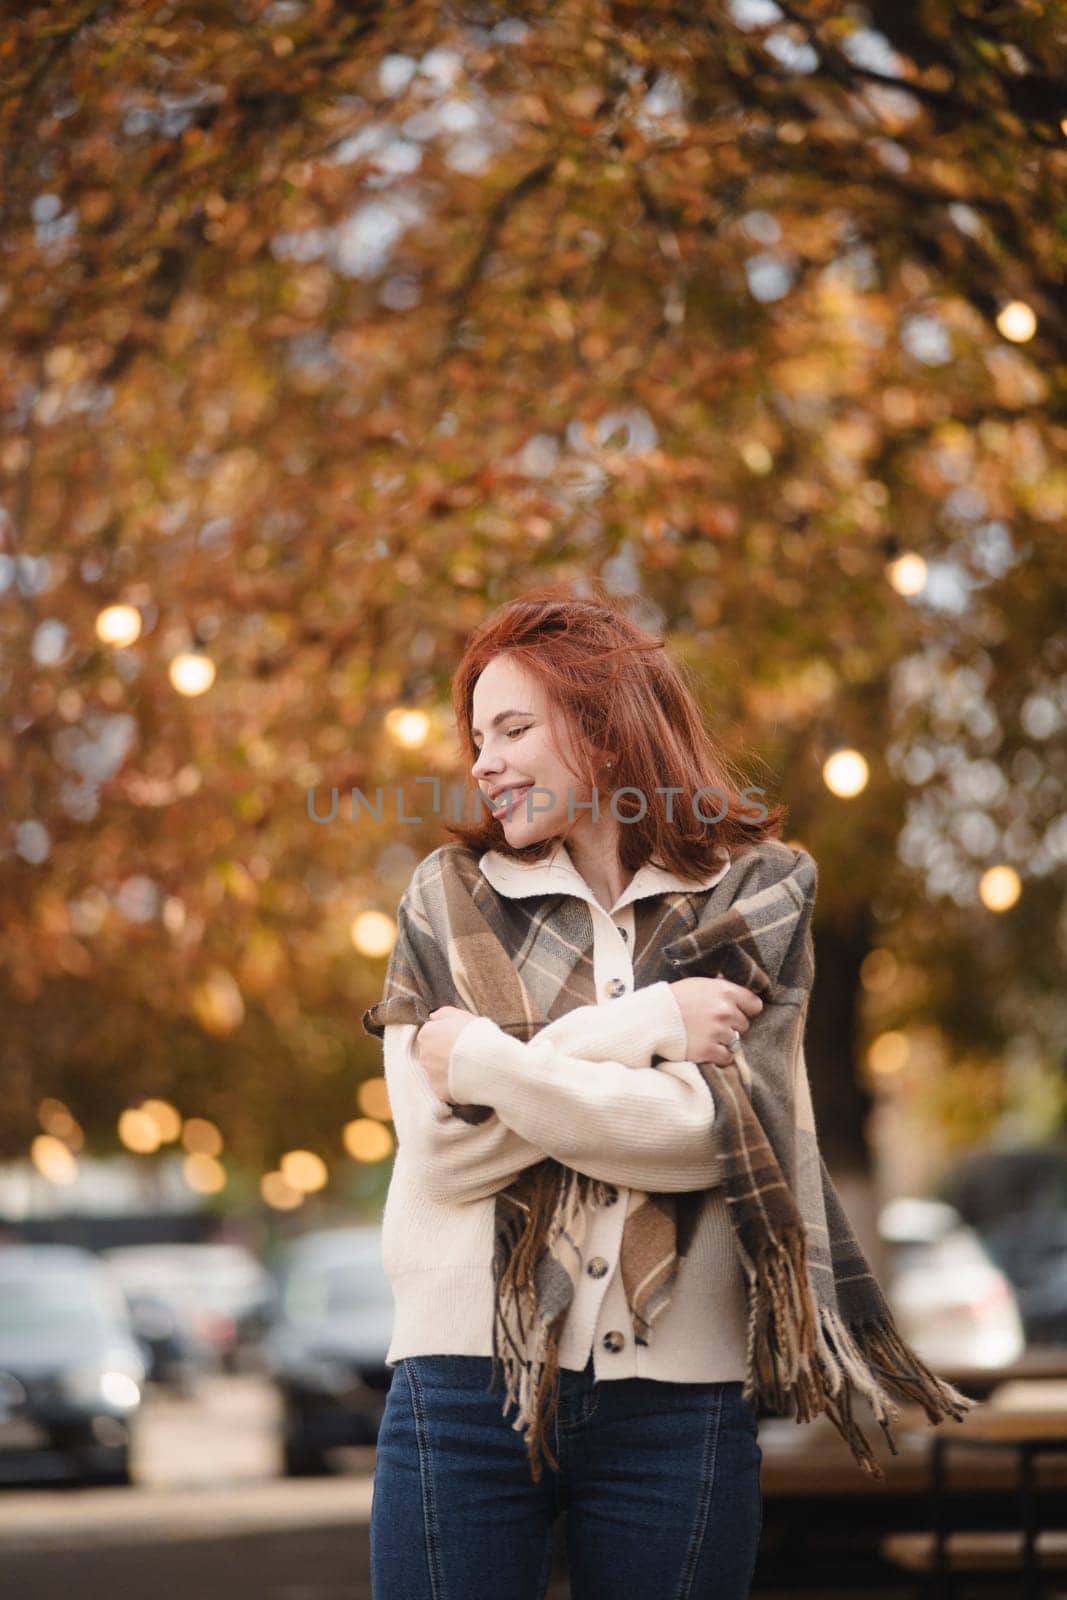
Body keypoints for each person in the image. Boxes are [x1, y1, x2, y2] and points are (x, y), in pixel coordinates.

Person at [365, 591, 794, 1599]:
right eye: (476, 737)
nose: (483, 761)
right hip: (461, 1391)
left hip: (676, 1401)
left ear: (603, 730)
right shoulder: (444, 896)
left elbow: (719, 1137)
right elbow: (443, 1147)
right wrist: (644, 1028)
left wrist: (481, 1060)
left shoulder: (750, 895)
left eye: (513, 728)